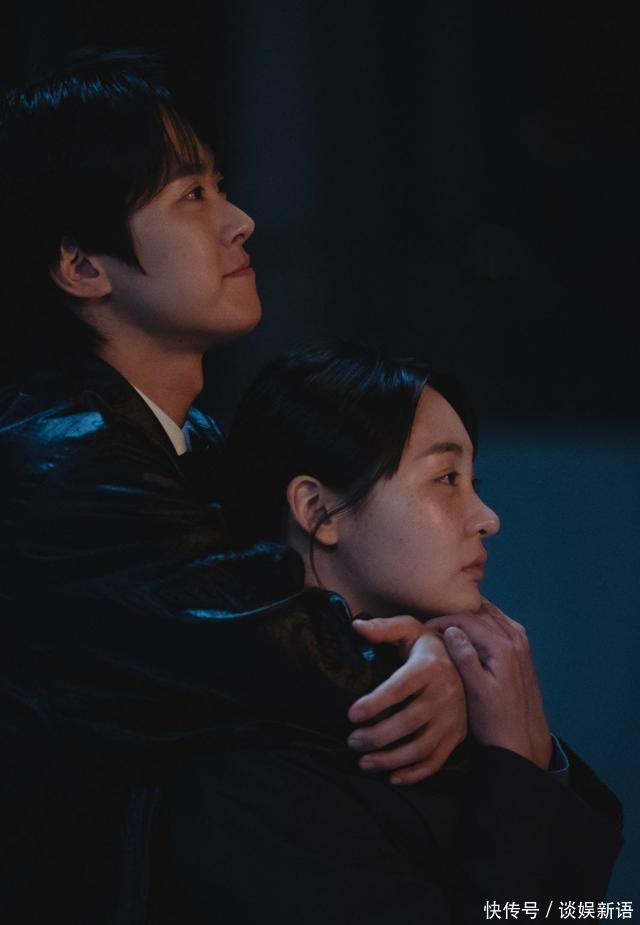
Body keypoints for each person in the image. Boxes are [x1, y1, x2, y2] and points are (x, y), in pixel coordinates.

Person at [0, 50, 466, 923]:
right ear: (82, 266)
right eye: (191, 196)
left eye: (220, 187)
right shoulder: (61, 462)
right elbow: (269, 653)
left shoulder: (189, 444)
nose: (241, 221)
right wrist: (421, 659)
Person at [150, 342, 623, 923]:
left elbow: (581, 910)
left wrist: (533, 756)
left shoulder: (451, 700)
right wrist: (516, 766)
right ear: (318, 510)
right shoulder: (250, 777)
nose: (487, 518)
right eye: (446, 478)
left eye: (473, 480)